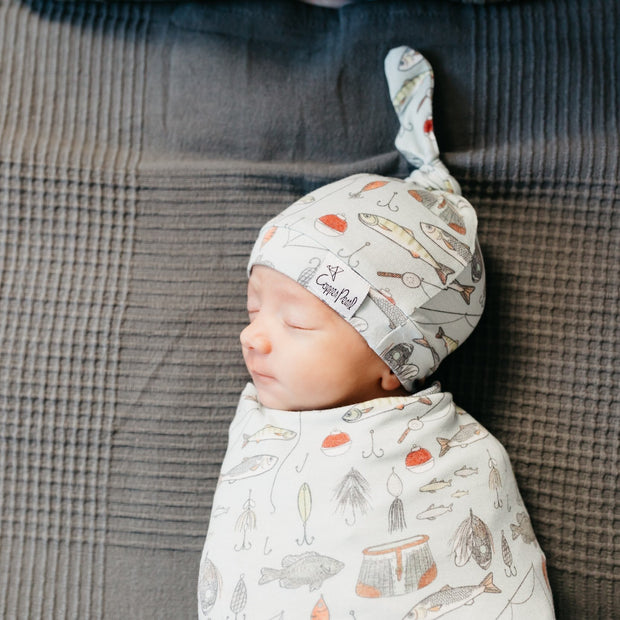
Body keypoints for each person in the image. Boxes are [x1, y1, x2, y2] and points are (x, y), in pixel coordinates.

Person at [198, 47, 555, 619]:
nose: (252, 338)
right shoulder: (259, 427)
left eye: (295, 322)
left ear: (394, 363)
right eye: (253, 310)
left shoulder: (455, 461)